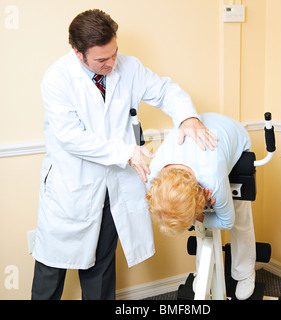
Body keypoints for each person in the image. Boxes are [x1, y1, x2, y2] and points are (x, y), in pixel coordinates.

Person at [31, 9, 217, 300]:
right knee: (51, 271)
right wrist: (127, 152)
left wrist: (187, 118)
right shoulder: (57, 78)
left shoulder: (129, 67)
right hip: (71, 187)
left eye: (114, 54)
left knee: (102, 267)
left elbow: (165, 90)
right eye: (101, 60)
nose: (111, 63)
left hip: (112, 186)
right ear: (78, 54)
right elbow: (71, 137)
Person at [146, 112, 256, 300]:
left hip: (232, 134)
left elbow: (227, 222)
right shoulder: (152, 179)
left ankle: (245, 273)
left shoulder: (213, 179)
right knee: (201, 225)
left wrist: (199, 214)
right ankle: (204, 271)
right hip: (199, 137)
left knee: (239, 215)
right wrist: (197, 216)